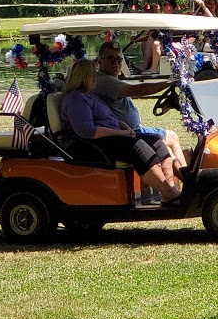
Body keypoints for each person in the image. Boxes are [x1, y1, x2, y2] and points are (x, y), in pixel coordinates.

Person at [60, 59, 182, 201]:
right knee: (138, 147)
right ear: (86, 77)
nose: (96, 79)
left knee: (156, 140)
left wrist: (124, 127)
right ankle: (167, 191)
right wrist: (121, 133)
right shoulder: (76, 99)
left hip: (108, 138)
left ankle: (171, 189)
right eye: (94, 75)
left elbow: (111, 118)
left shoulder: (90, 95)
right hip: (86, 144)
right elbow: (86, 131)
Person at [93, 41, 187, 169]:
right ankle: (186, 179)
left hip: (132, 129)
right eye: (110, 58)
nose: (115, 62)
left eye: (118, 58)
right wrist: (171, 83)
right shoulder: (105, 81)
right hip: (126, 133)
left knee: (168, 143)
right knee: (171, 138)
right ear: (100, 61)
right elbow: (140, 90)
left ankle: (184, 177)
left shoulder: (111, 79)